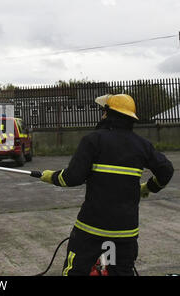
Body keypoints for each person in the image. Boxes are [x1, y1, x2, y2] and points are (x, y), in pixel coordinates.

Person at [40, 94, 174, 276]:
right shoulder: (142, 145)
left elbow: (72, 177)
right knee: (120, 272)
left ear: (107, 114)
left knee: (75, 271)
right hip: (125, 232)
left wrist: (51, 176)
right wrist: (149, 188)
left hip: (91, 230)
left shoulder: (93, 141)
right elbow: (166, 170)